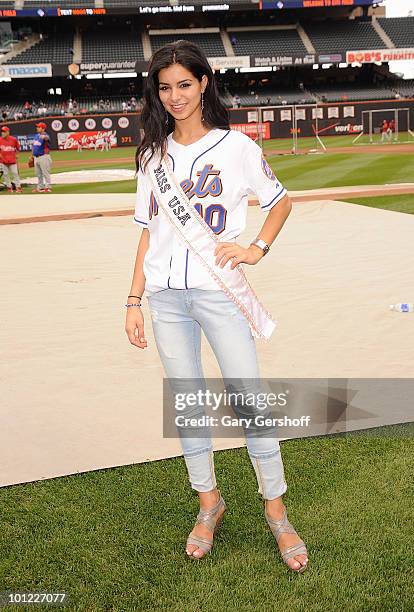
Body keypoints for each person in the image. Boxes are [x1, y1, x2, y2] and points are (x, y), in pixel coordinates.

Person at [125, 40, 308, 573]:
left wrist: (257, 248)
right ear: (156, 93)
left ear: (204, 83)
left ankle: (275, 507)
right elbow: (145, 233)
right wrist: (133, 298)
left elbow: (280, 201)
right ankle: (209, 503)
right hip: (165, 297)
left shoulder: (237, 147)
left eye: (185, 84)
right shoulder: (150, 154)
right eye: (165, 87)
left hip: (219, 290)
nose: (175, 96)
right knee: (188, 404)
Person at [0, 126, 22, 193]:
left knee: (15, 173)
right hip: (3, 161)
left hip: (12, 160)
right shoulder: (0, 140)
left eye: (4, 132)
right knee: (6, 174)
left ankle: (18, 187)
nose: (2, 133)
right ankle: (9, 187)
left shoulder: (13, 139)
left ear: (8, 132)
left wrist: (17, 154)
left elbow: (18, 148)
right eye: (2, 132)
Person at [31, 122, 52, 193]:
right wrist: (32, 156)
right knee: (38, 173)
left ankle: (48, 187)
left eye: (39, 127)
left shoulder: (45, 135)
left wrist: (45, 137)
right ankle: (40, 187)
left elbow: (47, 138)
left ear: (43, 128)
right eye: (37, 127)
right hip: (36, 157)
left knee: (45, 172)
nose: (37, 128)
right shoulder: (36, 135)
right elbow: (34, 146)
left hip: (44, 156)